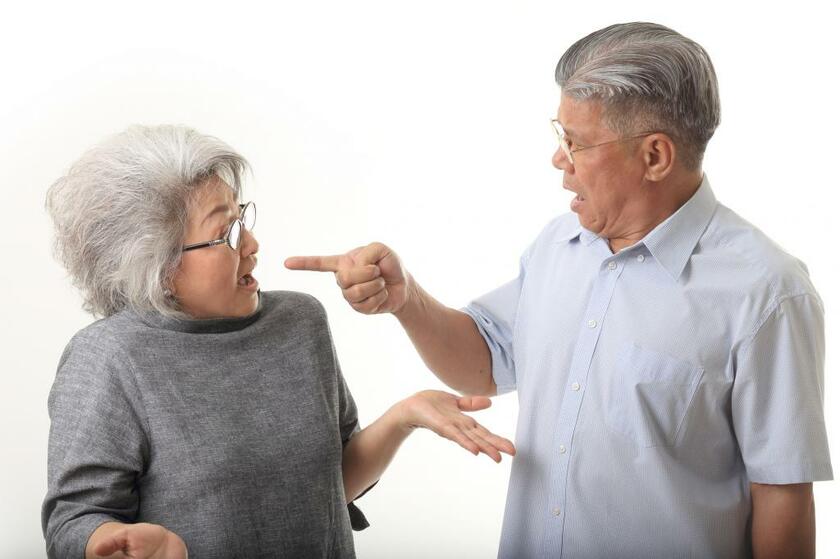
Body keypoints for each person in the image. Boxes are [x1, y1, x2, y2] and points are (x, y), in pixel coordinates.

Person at [285, 22, 833, 558]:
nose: (558, 158)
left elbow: (781, 495)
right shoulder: (560, 243)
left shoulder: (768, 294)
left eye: (576, 142)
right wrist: (407, 300)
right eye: (560, 134)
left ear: (655, 156)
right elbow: (485, 362)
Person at [42, 124, 515, 559]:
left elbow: (331, 487)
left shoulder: (299, 321)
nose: (251, 244)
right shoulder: (109, 358)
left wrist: (403, 416)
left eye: (241, 218)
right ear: (159, 268)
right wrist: (107, 541)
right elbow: (73, 521)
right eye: (224, 232)